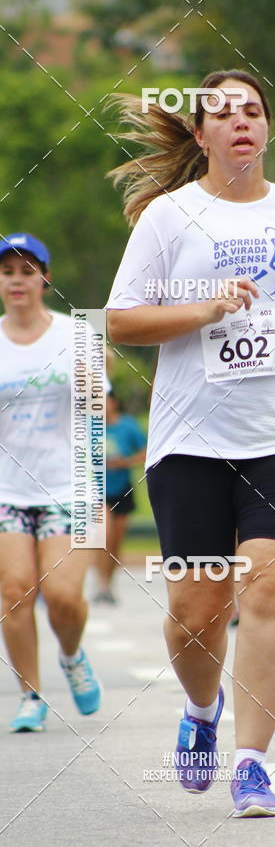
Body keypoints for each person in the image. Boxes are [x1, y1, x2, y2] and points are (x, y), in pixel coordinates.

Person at [105, 69, 275, 817]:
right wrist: (204, 309)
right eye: (223, 113)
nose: (240, 122)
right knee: (194, 609)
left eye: (253, 110)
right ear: (203, 134)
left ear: (268, 128)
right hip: (190, 438)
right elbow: (120, 320)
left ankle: (252, 763)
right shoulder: (170, 219)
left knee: (270, 587)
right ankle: (202, 714)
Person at [0, 233, 102, 732]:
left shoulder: (77, 334)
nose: (17, 280)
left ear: (45, 278)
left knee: (63, 598)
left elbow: (96, 410)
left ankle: (71, 653)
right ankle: (30, 695)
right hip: (6, 490)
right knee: (14, 592)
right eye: (7, 272)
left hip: (69, 486)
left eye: (27, 270)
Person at [93, 391, 146, 604]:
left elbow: (145, 452)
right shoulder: (89, 427)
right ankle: (101, 584)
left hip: (122, 488)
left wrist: (123, 462)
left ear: (113, 402)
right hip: (97, 490)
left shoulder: (128, 425)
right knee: (102, 536)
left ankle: (109, 585)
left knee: (115, 542)